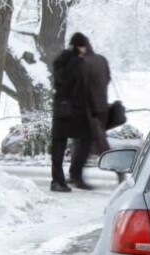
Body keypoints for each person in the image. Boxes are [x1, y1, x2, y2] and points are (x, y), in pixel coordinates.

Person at [68, 33, 111, 190]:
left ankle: (76, 176)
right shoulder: (101, 60)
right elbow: (107, 80)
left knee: (83, 144)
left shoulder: (82, 63)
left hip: (86, 109)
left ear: (80, 47)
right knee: (88, 142)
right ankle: (75, 175)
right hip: (101, 108)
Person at [49, 33, 90, 192]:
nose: (85, 49)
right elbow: (63, 80)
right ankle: (60, 180)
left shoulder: (74, 61)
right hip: (67, 110)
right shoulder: (69, 60)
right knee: (61, 144)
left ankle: (68, 177)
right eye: (82, 46)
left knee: (70, 143)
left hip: (69, 110)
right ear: (77, 46)